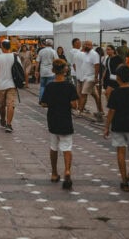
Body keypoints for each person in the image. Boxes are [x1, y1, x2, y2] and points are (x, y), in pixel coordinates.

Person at [104, 65, 129, 193]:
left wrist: (107, 127)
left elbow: (111, 111)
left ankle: (124, 181)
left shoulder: (115, 93)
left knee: (120, 152)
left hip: (118, 126)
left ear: (118, 78)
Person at [39, 58, 78, 190]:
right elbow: (74, 104)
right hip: (66, 119)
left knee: (53, 147)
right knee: (67, 147)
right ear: (65, 70)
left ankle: (54, 173)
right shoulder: (70, 86)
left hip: (53, 119)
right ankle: (67, 170)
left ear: (53, 71)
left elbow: (43, 103)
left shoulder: (50, 86)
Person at [0, 40, 21, 133]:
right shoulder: (15, 57)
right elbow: (20, 69)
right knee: (11, 105)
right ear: (9, 47)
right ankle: (9, 124)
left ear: (2, 47)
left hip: (0, 85)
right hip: (12, 84)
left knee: (2, 105)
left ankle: (3, 120)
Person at [77, 41, 103, 119]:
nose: (86, 46)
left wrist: (96, 77)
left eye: (88, 45)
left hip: (91, 78)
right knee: (95, 95)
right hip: (85, 77)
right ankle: (101, 110)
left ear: (92, 46)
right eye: (85, 45)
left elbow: (97, 65)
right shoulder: (85, 53)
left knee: (83, 94)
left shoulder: (94, 54)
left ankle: (79, 111)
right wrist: (83, 48)